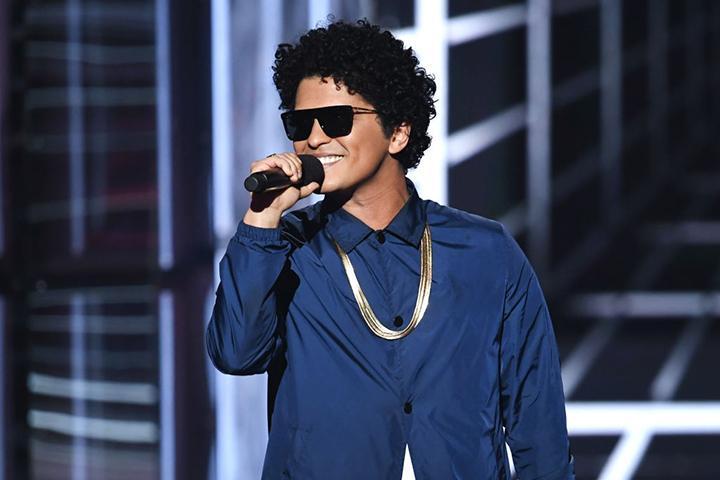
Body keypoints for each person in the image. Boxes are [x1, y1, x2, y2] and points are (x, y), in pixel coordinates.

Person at [206, 19, 574, 479]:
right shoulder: (284, 250)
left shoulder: (485, 252)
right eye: (300, 123)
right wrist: (263, 218)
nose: (314, 138)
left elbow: (538, 427)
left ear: (397, 132)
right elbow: (236, 354)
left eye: (336, 119)